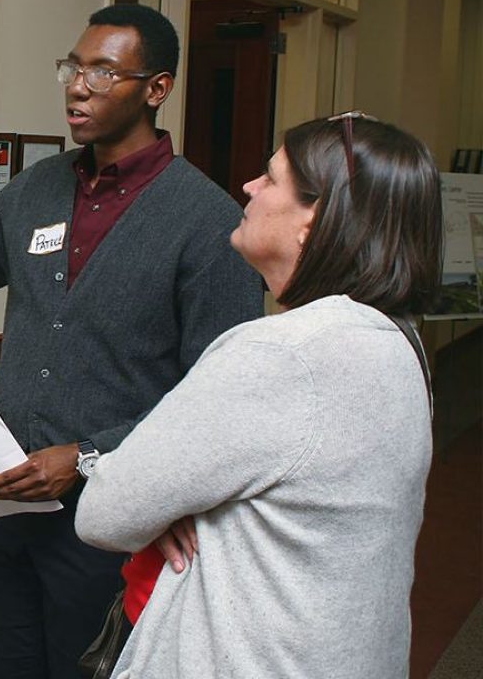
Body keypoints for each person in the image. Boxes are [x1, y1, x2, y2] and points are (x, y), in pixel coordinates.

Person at [0, 4, 262, 679]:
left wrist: (89, 457)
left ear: (157, 88)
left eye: (102, 70)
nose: (78, 85)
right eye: (73, 66)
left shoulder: (207, 221)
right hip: (6, 504)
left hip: (112, 520)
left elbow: (217, 399)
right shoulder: (37, 191)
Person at [75, 113, 441, 678]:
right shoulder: (396, 340)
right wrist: (169, 500)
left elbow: (104, 513)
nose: (248, 187)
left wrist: (164, 502)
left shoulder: (280, 354)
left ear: (313, 219)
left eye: (270, 179)